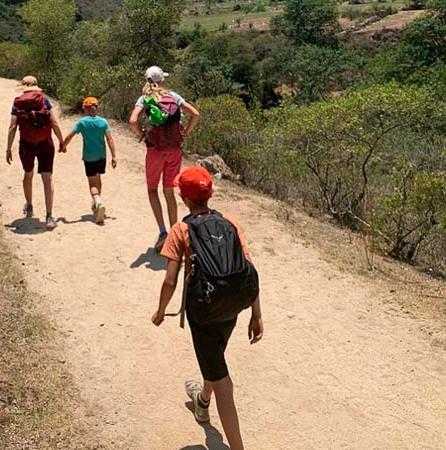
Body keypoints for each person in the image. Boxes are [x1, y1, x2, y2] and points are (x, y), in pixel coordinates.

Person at [151, 166, 263, 450]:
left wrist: (161, 311)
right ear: (210, 194)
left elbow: (170, 280)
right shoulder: (230, 222)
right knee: (215, 355)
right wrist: (256, 314)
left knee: (221, 377)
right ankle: (202, 401)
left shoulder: (181, 229)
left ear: (182, 197)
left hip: (204, 310)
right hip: (234, 303)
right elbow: (249, 268)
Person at [129, 66, 200, 251]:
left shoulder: (144, 98)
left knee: (153, 190)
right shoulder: (174, 96)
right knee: (169, 192)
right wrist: (186, 132)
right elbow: (195, 114)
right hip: (174, 150)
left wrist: (142, 134)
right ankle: (175, 234)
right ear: (162, 80)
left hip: (155, 151)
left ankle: (162, 233)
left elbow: (132, 121)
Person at [7, 75, 64, 230]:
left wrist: (8, 148)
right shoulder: (44, 101)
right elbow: (54, 122)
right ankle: (49, 216)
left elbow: (13, 127)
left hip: (27, 144)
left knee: (28, 174)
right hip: (46, 143)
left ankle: (30, 205)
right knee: (47, 178)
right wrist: (61, 140)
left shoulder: (17, 102)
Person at [60, 97, 117, 224]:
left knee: (92, 183)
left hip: (89, 157)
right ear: (97, 108)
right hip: (101, 156)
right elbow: (110, 139)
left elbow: (70, 136)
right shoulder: (103, 122)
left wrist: (63, 146)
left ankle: (98, 202)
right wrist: (114, 156)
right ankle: (97, 205)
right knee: (98, 179)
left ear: (85, 109)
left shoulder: (82, 123)